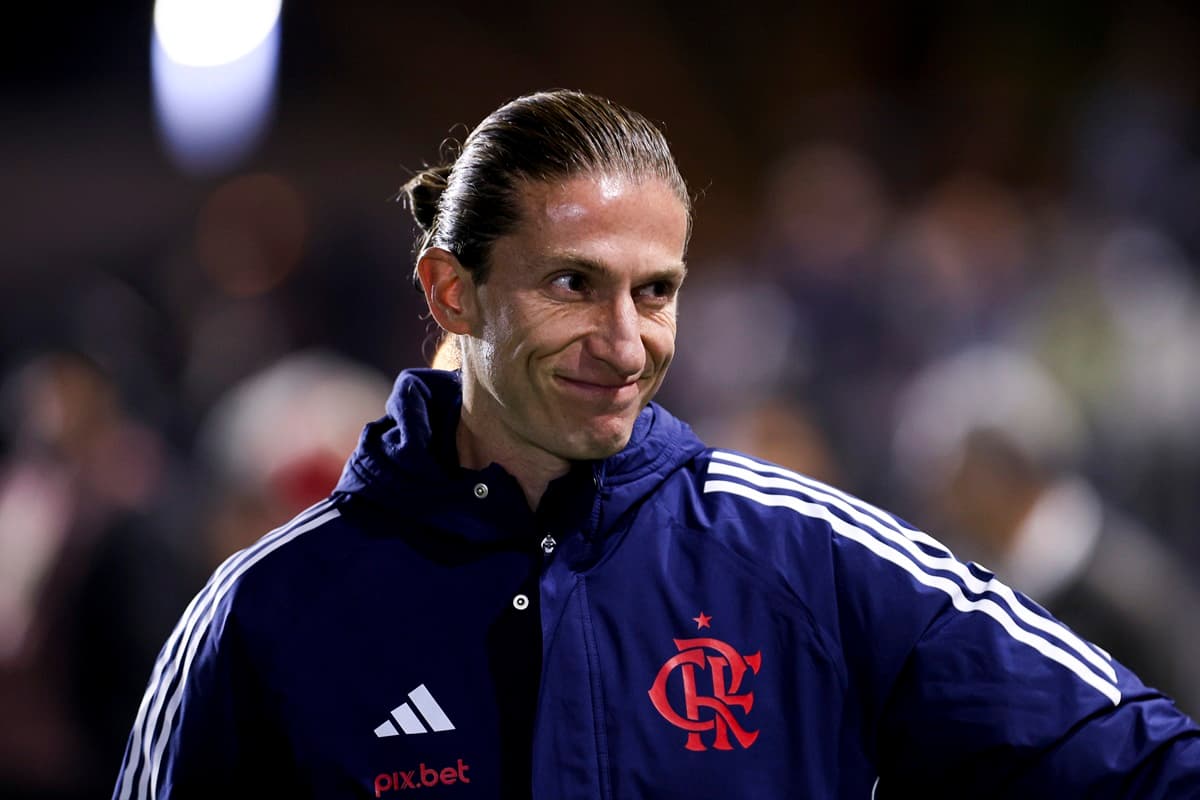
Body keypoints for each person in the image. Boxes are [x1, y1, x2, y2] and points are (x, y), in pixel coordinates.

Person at [112, 90, 1200, 799]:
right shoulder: (266, 612)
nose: (624, 342)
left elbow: (1142, 762)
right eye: (573, 283)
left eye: (657, 291)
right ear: (452, 291)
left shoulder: (812, 561)